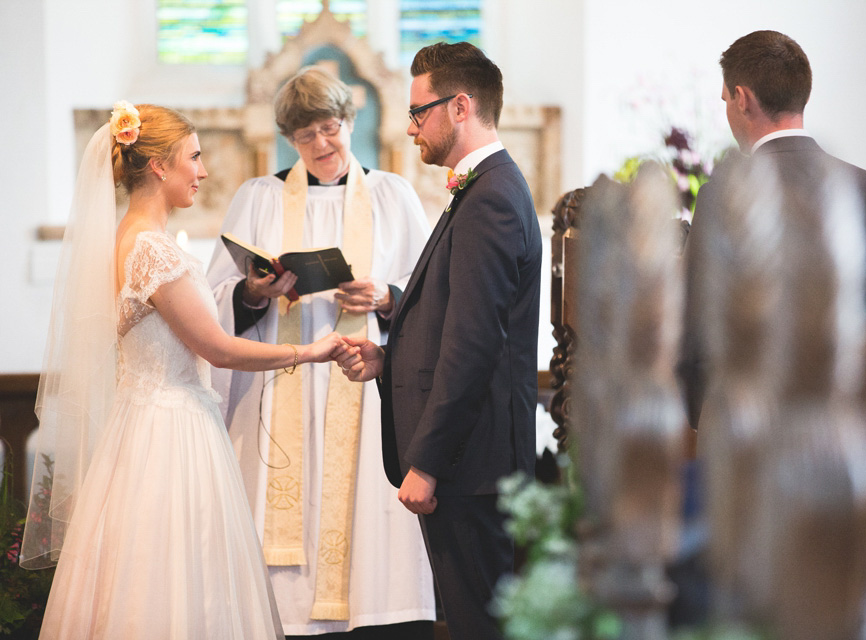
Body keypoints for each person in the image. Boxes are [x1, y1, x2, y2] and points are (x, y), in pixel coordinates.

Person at [21, 102, 347, 639]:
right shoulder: (152, 250)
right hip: (171, 432)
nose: (202, 171)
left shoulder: (128, 239)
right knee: (178, 578)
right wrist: (309, 352)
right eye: (193, 158)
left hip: (144, 423)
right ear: (159, 167)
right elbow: (217, 349)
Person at [206, 67, 435, 638]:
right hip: (282, 388)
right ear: (289, 138)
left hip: (364, 386)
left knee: (368, 534)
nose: (321, 145)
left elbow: (433, 297)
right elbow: (213, 298)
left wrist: (387, 296)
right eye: (305, 136)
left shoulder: (392, 194)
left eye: (330, 129)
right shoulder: (257, 198)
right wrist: (253, 292)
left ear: (352, 122)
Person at [335, 42, 542, 640]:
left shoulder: (493, 197)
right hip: (468, 460)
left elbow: (474, 344)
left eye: (418, 111)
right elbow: (452, 316)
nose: (409, 126)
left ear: (460, 106)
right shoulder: (480, 191)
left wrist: (426, 462)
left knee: (481, 623)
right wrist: (388, 355)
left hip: (469, 464)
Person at [677, 29, 866, 430]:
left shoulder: (722, 198)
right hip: (833, 427)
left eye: (726, 101)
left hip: (742, 430)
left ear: (742, 99)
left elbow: (694, 328)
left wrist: (700, 421)